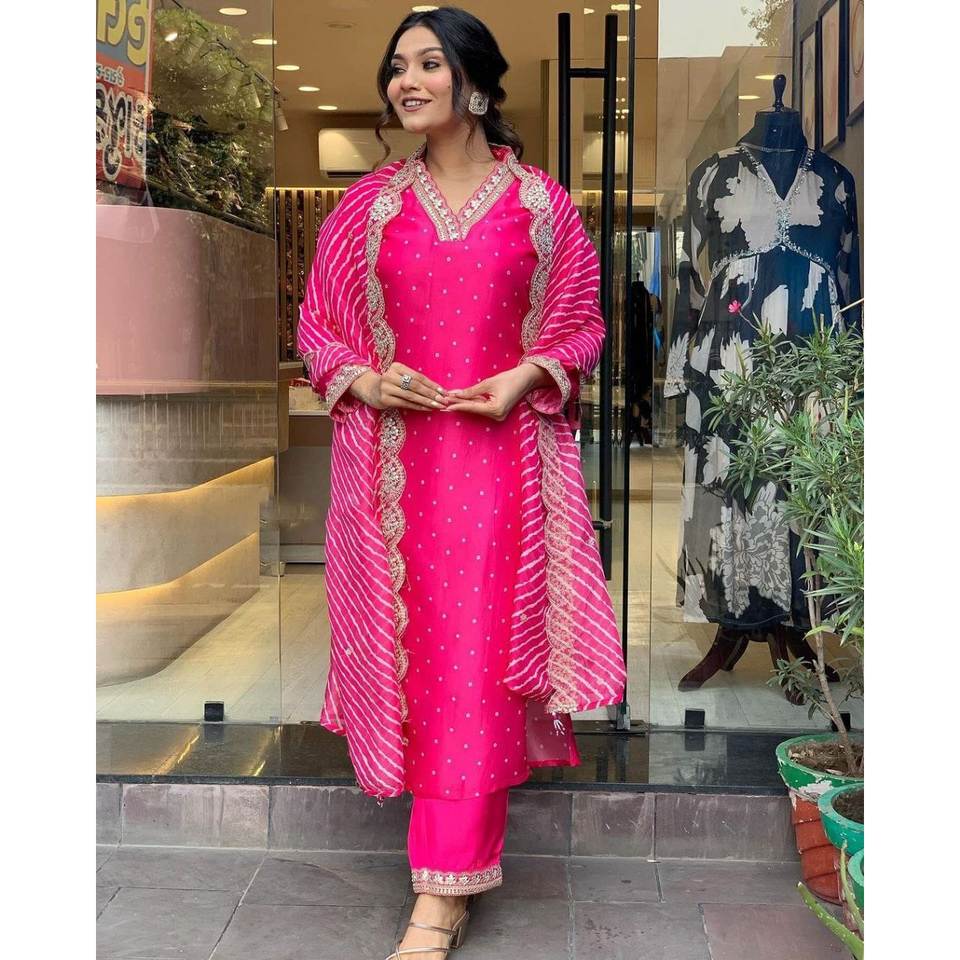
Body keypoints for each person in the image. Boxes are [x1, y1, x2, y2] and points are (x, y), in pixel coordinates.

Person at [296, 8, 627, 959]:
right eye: (396, 66)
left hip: (500, 472)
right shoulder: (368, 208)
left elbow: (581, 326)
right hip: (396, 476)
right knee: (419, 661)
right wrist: (367, 381)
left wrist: (527, 374)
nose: (406, 80)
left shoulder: (541, 205)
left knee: (475, 669)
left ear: (473, 82)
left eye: (429, 64)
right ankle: (447, 875)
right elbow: (319, 327)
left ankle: (440, 897)